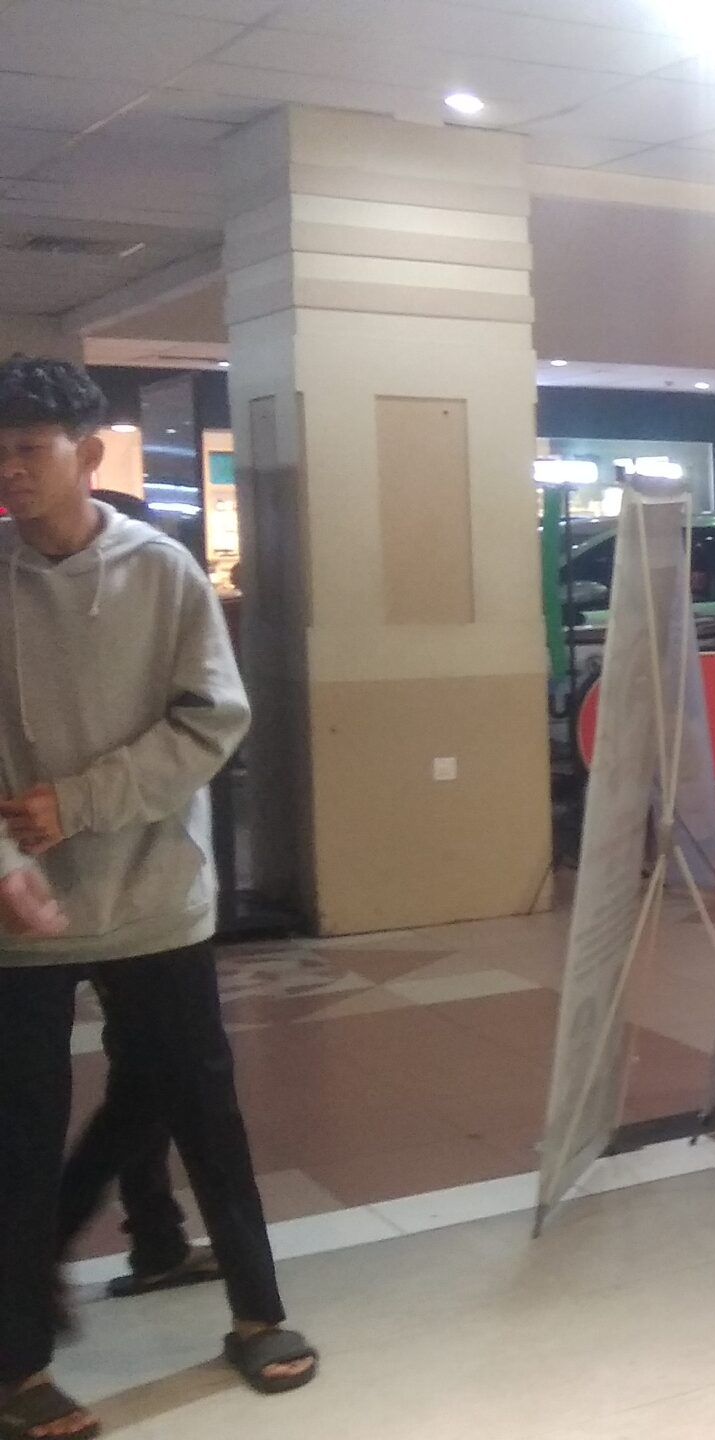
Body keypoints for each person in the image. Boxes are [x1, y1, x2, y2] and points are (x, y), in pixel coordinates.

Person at [0, 356, 314, 1440]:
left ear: (87, 454)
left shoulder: (162, 572)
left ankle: (258, 1313)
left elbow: (212, 719)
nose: (10, 471)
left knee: (203, 1110)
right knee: (17, 1137)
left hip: (153, 896)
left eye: (29, 449)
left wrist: (81, 800)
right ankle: (18, 1370)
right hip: (18, 916)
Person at [59, 488, 225, 1318]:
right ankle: (57, 1233)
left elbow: (207, 721)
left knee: (146, 1069)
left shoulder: (162, 597)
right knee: (156, 1070)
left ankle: (156, 1238)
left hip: (145, 881)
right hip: (94, 883)